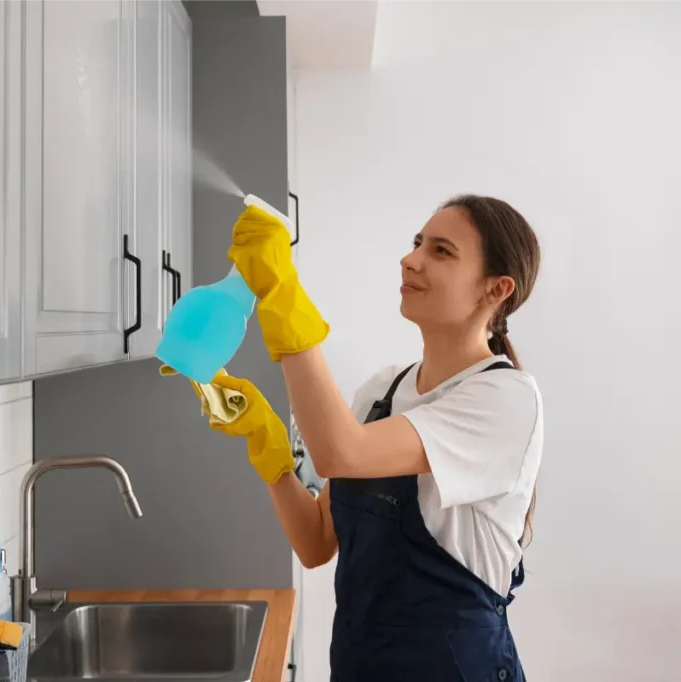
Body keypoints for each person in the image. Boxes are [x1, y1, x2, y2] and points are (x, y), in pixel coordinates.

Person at [203, 195, 543, 681]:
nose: (411, 258)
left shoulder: (505, 398)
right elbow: (317, 542)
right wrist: (267, 445)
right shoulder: (382, 391)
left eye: (441, 251)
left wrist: (283, 293)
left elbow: (341, 451)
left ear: (496, 289)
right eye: (417, 243)